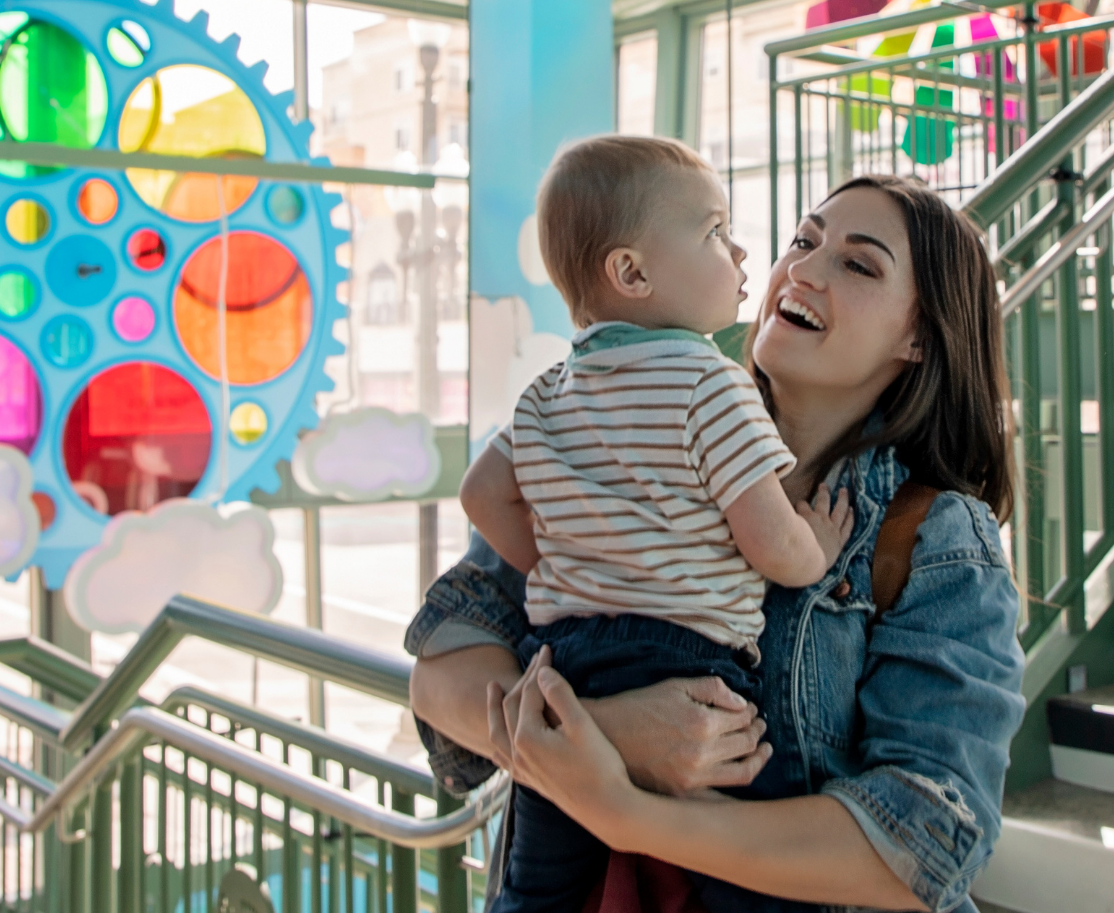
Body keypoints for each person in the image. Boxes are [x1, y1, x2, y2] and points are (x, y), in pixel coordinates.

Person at [407, 174, 1027, 913]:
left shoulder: (935, 538)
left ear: (919, 336)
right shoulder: (622, 420)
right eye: (804, 240)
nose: (801, 268)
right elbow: (442, 674)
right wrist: (611, 732)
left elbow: (923, 840)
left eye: (857, 264)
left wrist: (633, 811)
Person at [457, 135, 853, 912]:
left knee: (538, 887)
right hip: (688, 660)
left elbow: (481, 492)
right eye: (713, 232)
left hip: (561, 662)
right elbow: (773, 542)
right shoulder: (711, 380)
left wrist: (569, 559)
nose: (742, 252)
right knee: (747, 879)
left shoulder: (546, 391)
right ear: (631, 273)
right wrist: (821, 550)